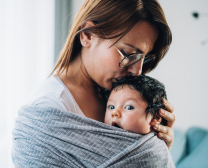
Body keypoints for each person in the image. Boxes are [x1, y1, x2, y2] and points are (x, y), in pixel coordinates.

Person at [13, 0, 176, 166]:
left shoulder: (120, 96)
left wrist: (157, 150)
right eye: (128, 54)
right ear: (88, 34)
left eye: (144, 58)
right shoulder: (48, 108)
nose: (137, 71)